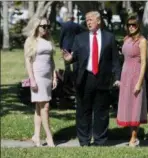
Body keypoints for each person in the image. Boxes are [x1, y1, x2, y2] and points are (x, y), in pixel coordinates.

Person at [62, 11, 121, 146]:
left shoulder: (109, 37)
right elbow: (74, 56)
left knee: (101, 111)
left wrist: (118, 77)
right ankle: (84, 140)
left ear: (99, 21)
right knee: (83, 111)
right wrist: (70, 59)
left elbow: (115, 61)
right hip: (84, 78)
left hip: (102, 78)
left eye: (91, 19)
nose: (88, 22)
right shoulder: (80, 38)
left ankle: (100, 140)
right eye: (87, 20)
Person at [24, 17, 57, 147]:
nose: (46, 29)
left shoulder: (48, 40)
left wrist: (54, 76)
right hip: (37, 77)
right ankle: (49, 136)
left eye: (48, 26)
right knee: (45, 107)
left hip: (48, 77)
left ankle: (36, 136)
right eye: (44, 26)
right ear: (36, 27)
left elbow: (51, 60)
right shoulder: (31, 41)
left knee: (39, 108)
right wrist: (32, 79)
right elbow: (28, 62)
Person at [116, 13, 148, 147]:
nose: (131, 27)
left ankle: (134, 139)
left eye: (133, 24)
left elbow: (144, 63)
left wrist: (139, 83)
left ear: (138, 25)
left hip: (136, 76)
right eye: (129, 25)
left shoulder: (142, 41)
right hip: (125, 75)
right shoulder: (126, 39)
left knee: (135, 106)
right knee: (127, 105)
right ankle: (131, 136)